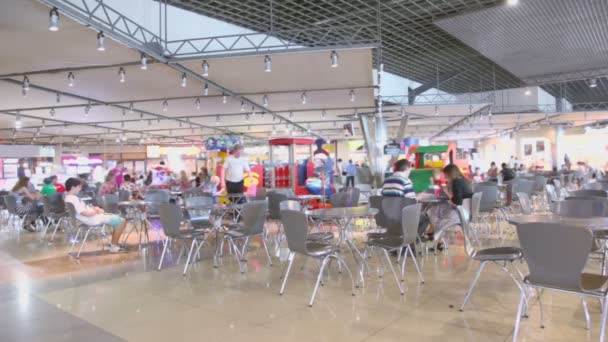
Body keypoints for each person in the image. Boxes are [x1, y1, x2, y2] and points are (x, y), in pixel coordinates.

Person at [64, 178, 127, 253]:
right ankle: (114, 246)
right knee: (121, 221)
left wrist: (94, 209)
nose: (80, 189)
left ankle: (114, 243)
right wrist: (97, 211)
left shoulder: (67, 198)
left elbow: (84, 210)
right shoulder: (73, 199)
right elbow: (85, 213)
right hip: (92, 219)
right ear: (73, 187)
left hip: (90, 218)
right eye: (79, 187)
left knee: (119, 219)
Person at [426, 164, 473, 246]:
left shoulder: (457, 183)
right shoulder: (463, 180)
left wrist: (447, 192)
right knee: (436, 208)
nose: (445, 177)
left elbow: (457, 201)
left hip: (459, 213)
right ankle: (435, 234)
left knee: (433, 209)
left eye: (446, 175)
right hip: (466, 211)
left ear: (450, 174)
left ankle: (435, 234)